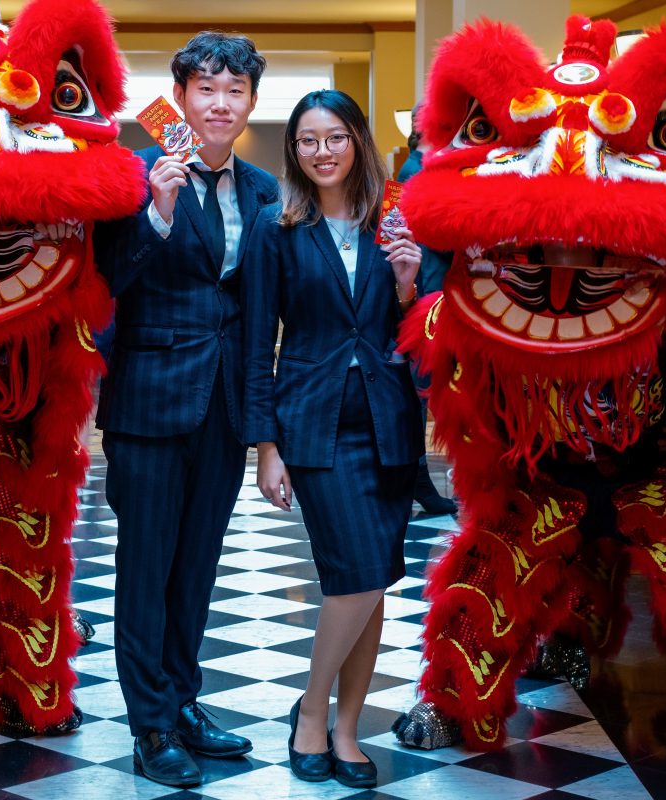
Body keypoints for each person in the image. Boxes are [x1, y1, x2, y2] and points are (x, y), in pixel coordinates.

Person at [93, 32, 279, 789]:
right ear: (180, 96)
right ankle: (150, 726)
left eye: (234, 90)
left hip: (225, 405)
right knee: (145, 568)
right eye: (205, 88)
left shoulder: (266, 189)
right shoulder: (133, 176)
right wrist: (158, 216)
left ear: (250, 104)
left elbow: (263, 307)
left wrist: (263, 423)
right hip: (148, 402)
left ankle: (183, 698)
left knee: (198, 567)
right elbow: (103, 281)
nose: (219, 102)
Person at [242, 89, 424, 789]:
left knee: (372, 580)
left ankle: (346, 729)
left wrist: (408, 288)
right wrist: (265, 446)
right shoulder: (275, 227)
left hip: (388, 422)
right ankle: (311, 712)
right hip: (313, 422)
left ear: (358, 143)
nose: (322, 151)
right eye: (308, 140)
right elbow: (260, 342)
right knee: (356, 573)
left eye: (336, 137)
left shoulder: (394, 221)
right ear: (294, 150)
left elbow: (418, 333)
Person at [397, 102, 456, 516]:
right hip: (428, 295)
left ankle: (418, 477)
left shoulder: (425, 168)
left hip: (435, 291)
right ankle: (415, 476)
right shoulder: (414, 171)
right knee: (420, 392)